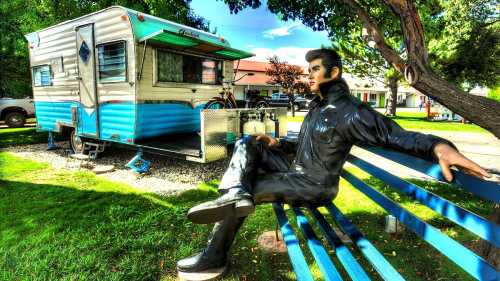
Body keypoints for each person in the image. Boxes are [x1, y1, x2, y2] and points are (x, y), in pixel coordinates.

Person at [176, 48, 490, 274]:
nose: (307, 74)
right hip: (295, 172)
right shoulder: (317, 107)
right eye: (308, 68)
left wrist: (439, 146)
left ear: (333, 73)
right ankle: (235, 193)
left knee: (252, 184)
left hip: (314, 186)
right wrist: (279, 143)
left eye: (314, 69)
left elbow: (397, 135)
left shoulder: (352, 112)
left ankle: (214, 254)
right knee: (248, 142)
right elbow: (308, 145)